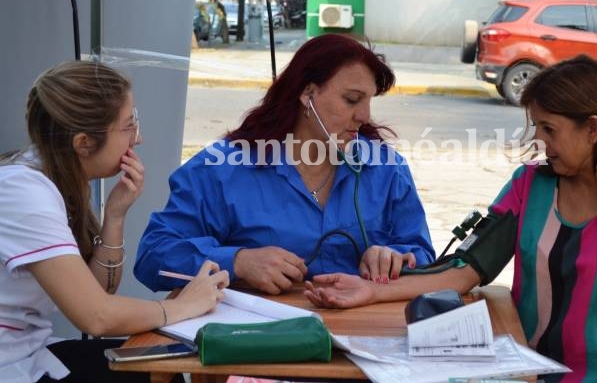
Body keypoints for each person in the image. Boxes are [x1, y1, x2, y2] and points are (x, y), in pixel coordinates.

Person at [304, 55, 597, 382]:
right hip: (550, 370)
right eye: (536, 126)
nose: (538, 141)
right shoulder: (530, 184)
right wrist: (370, 291)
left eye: (549, 129)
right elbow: (466, 271)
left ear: (592, 129)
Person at [134, 34, 435, 295]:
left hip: (365, 338)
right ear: (307, 94)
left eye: (370, 101)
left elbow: (424, 256)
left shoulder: (385, 169)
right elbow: (153, 256)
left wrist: (396, 257)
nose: (364, 116)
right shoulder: (221, 169)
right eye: (352, 100)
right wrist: (238, 261)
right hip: (257, 344)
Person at [0, 61, 229, 383]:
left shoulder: (51, 178)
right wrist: (182, 306)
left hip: (28, 351)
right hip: (11, 364)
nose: (139, 138)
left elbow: (94, 295)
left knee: (160, 363)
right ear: (83, 143)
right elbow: (96, 317)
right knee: (159, 370)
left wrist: (115, 216)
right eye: (128, 126)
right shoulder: (23, 193)